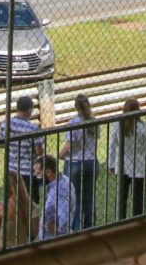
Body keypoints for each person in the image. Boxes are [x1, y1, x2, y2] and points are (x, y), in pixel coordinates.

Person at [0, 95, 43, 249]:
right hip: (27, 173)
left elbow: (1, 144)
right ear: (29, 110)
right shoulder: (33, 128)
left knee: (11, 205)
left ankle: (10, 235)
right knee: (29, 206)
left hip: (11, 172)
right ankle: (26, 238)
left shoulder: (5, 124)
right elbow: (39, 151)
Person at [63, 95, 102, 231]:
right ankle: (90, 226)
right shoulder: (93, 121)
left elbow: (70, 146)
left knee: (75, 198)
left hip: (75, 163)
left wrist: (60, 155)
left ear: (75, 107)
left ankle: (75, 229)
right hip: (92, 162)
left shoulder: (74, 122)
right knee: (89, 197)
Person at [114, 98, 146, 221]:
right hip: (139, 166)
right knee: (138, 197)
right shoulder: (145, 127)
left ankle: (120, 220)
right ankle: (137, 220)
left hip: (122, 165)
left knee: (122, 197)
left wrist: (111, 164)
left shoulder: (118, 125)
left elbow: (112, 146)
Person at [36, 152, 74, 242]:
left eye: (38, 173)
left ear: (48, 172)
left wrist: (58, 230)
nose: (36, 177)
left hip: (52, 242)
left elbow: (64, 218)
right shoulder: (63, 179)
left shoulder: (57, 192)